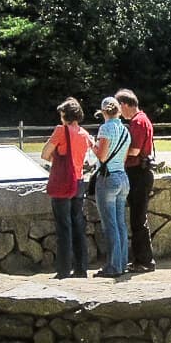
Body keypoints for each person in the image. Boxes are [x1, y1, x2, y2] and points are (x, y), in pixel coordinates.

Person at [41, 97, 94, 279]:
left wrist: (57, 161)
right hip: (79, 183)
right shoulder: (84, 134)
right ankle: (81, 269)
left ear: (65, 115)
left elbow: (44, 153)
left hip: (63, 183)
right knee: (78, 226)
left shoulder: (60, 131)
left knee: (64, 227)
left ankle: (63, 270)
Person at [115, 88, 156, 273]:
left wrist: (116, 156)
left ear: (124, 104)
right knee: (138, 219)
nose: (119, 111)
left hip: (138, 173)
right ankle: (141, 259)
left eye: (119, 107)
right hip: (139, 173)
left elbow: (134, 150)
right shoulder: (141, 119)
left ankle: (145, 261)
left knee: (138, 220)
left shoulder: (138, 122)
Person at [93, 96, 131, 277]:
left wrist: (91, 145)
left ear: (103, 112)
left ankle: (113, 266)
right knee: (120, 223)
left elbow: (101, 155)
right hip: (123, 177)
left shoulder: (105, 128)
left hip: (108, 179)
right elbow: (122, 159)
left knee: (110, 225)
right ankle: (122, 263)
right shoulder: (125, 130)